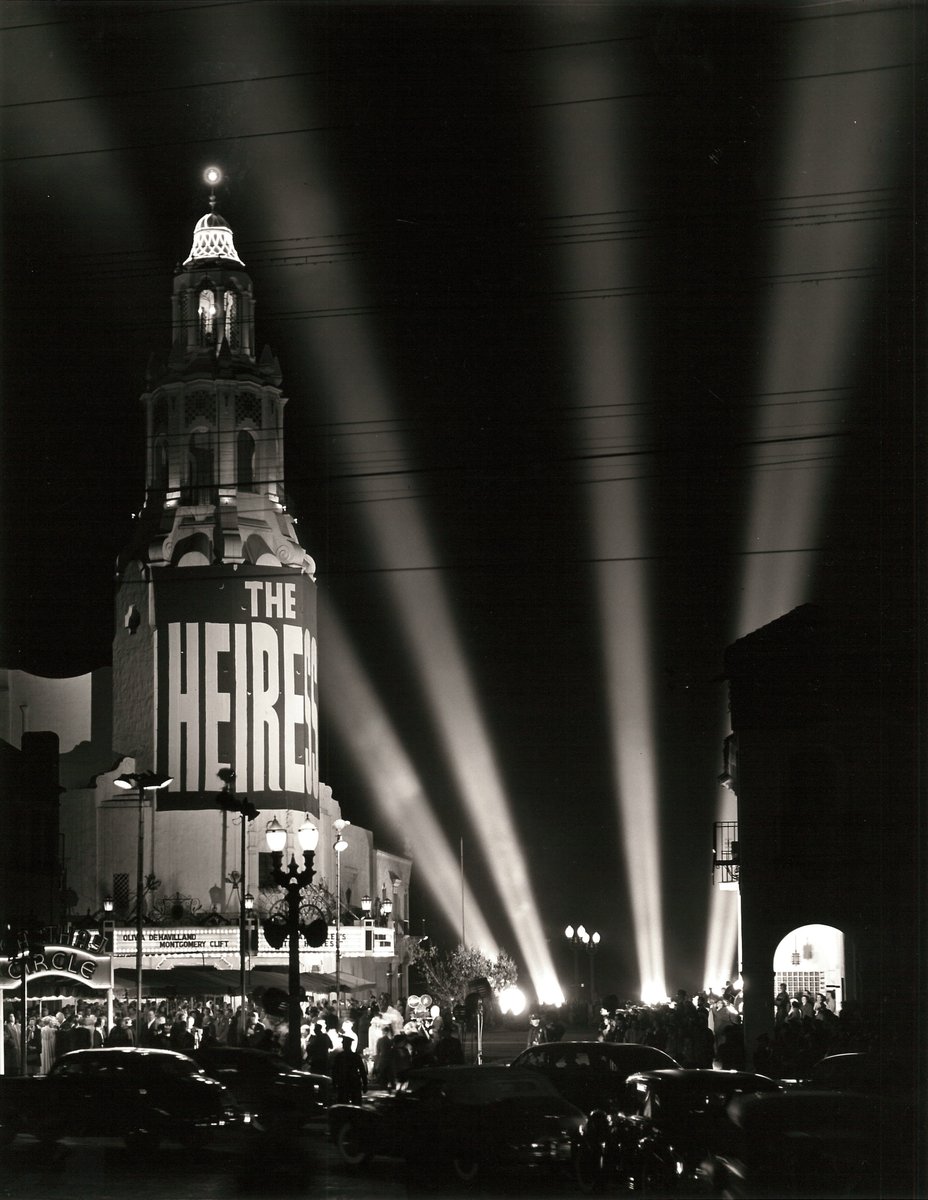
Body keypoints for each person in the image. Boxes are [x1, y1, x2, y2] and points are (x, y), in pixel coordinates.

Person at [331, 1034, 368, 1104]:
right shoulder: (355, 1056)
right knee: (355, 1104)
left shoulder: (339, 1056)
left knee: (343, 1103)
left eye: (343, 1043)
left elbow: (335, 1070)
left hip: (344, 1082)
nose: (342, 1044)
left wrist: (334, 1083)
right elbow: (362, 1070)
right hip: (353, 1082)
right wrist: (365, 1084)